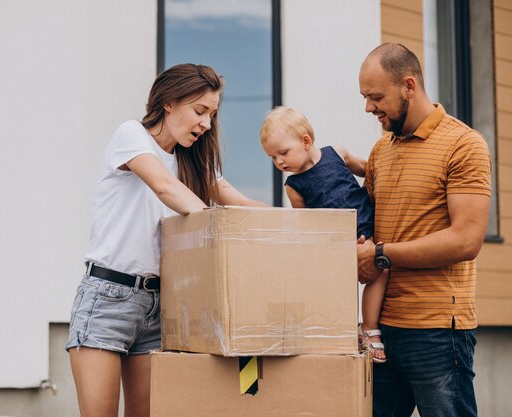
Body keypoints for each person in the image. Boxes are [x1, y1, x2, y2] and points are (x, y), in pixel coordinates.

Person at [66, 63, 267, 417]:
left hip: (161, 306)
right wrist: (213, 227)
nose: (206, 124)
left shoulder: (194, 161)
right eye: (200, 111)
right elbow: (164, 187)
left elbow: (242, 203)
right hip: (109, 298)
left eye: (212, 115)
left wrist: (301, 223)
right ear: (170, 102)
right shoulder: (132, 136)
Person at [357, 43, 492, 417]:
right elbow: (368, 225)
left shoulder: (464, 145)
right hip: (380, 332)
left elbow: (466, 240)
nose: (369, 107)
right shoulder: (381, 151)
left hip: (438, 332)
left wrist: (379, 253)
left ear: (409, 86)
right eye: (365, 98)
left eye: (376, 97)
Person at [260, 106, 388, 363]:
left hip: (369, 228)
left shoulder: (337, 154)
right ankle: (349, 332)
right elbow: (308, 227)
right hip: (337, 244)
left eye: (283, 153)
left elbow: (367, 169)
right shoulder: (294, 186)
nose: (279, 162)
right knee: (339, 286)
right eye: (273, 158)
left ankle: (369, 328)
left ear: (306, 141)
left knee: (381, 271)